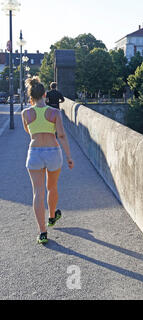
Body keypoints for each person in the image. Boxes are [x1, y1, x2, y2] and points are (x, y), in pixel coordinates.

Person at [21, 77, 74, 244]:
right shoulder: (55, 113)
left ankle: (42, 232)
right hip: (53, 152)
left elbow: (29, 132)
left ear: (30, 97)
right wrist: (69, 157)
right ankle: (52, 216)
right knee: (52, 187)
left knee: (38, 192)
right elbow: (62, 136)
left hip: (35, 152)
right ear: (45, 94)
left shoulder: (26, 113)